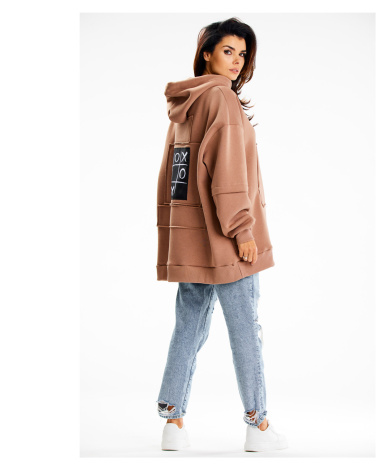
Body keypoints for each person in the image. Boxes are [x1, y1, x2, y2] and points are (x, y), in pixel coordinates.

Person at [155, 17, 287, 452]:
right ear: (206, 52)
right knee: (245, 328)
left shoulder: (187, 102)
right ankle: (258, 426)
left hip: (192, 238)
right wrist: (242, 229)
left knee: (188, 326)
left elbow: (176, 176)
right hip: (229, 240)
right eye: (228, 51)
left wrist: (179, 233)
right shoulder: (222, 101)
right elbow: (227, 175)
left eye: (242, 54)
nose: (236, 61)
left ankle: (172, 423)